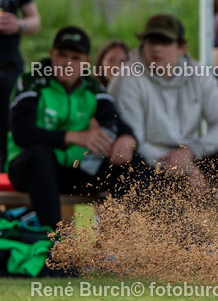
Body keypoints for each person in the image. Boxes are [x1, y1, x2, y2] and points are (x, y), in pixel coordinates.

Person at [108, 14, 218, 242]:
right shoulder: (128, 78)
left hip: (188, 160)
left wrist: (192, 152)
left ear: (182, 47)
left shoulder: (197, 73)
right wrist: (186, 166)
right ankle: (182, 244)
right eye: (152, 42)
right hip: (149, 168)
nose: (157, 49)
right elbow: (133, 141)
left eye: (165, 42)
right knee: (131, 164)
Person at [6, 27, 152, 231]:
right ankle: (54, 243)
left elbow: (118, 123)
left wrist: (126, 139)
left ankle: (146, 237)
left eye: (75, 57)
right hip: (27, 171)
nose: (67, 63)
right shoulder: (31, 82)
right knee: (40, 153)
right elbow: (22, 132)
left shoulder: (92, 88)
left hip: (74, 172)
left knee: (131, 160)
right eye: (62, 55)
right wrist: (74, 137)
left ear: (86, 62)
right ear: (52, 54)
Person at [0, 0, 42, 168]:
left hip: (8, 68)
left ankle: (8, 197)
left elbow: (35, 20)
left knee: (9, 131)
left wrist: (19, 25)